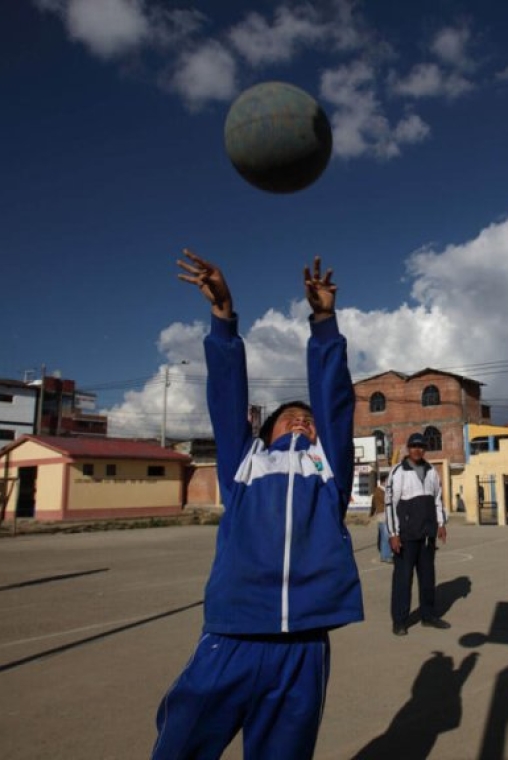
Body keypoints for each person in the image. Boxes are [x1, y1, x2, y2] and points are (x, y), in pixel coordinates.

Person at [152, 250, 364, 760]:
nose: (301, 421)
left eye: (307, 420)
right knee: (179, 747)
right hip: (232, 637)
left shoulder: (326, 470)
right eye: (289, 417)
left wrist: (323, 323)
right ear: (264, 432)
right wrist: (223, 320)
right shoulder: (244, 465)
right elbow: (226, 398)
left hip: (303, 650)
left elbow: (333, 401)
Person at [386, 431, 449, 635]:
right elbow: (390, 504)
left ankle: (428, 616)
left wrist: (441, 523)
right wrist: (393, 534)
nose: (418, 450)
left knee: (428, 579)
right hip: (406, 536)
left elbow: (438, 499)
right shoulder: (398, 471)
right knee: (403, 581)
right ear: (408, 448)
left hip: (427, 536)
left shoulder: (431, 471)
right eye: (414, 446)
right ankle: (400, 621)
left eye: (421, 446)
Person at [371, 472, 393, 563]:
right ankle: (386, 556)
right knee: (385, 536)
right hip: (382, 515)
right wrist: (371, 513)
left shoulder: (385, 490)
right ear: (384, 481)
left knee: (386, 536)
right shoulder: (379, 491)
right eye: (388, 480)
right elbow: (385, 501)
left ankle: (386, 554)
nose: (389, 481)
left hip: (387, 514)